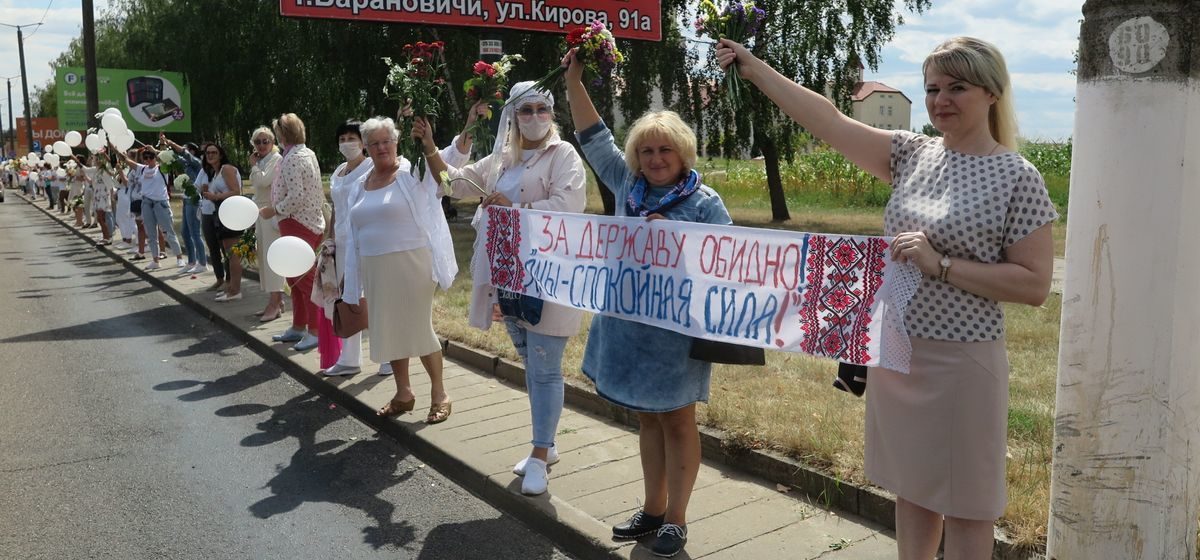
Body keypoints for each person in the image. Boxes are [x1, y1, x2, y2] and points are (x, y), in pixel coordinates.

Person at [716, 36, 1056, 559]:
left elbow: (1034, 284)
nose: (941, 99)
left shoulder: (1017, 176)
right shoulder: (909, 154)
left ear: (991, 92)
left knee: (969, 504)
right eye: (933, 88)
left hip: (962, 362)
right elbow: (827, 121)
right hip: (897, 356)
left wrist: (941, 266)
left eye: (957, 87)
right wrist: (754, 68)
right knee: (913, 491)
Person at [561, 50, 733, 557]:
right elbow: (594, 136)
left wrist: (677, 239)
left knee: (678, 419)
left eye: (665, 151)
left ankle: (676, 519)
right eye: (647, 151)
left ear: (683, 155)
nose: (655, 159)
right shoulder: (628, 186)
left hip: (675, 336)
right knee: (648, 418)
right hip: (627, 327)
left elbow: (727, 267)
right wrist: (574, 79)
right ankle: (653, 507)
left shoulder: (705, 204)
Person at [430, 82, 587, 496]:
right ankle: (545, 445)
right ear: (513, 116)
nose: (534, 117)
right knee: (531, 364)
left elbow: (569, 208)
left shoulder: (563, 155)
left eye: (542, 108)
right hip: (508, 277)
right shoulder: (502, 158)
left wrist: (514, 209)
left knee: (545, 366)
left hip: (549, 278)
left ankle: (540, 453)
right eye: (525, 110)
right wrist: (454, 135)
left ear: (552, 113)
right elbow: (454, 183)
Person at [339, 115, 461, 424]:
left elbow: (446, 176)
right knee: (389, 328)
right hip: (374, 266)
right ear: (366, 148)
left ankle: (440, 394)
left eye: (387, 141)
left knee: (418, 327)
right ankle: (403, 393)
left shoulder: (412, 173)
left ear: (396, 142)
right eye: (374, 143)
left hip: (411, 263)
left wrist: (429, 143)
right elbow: (350, 228)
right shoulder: (360, 185)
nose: (382, 148)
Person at [260, 113, 325, 352]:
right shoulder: (304, 153)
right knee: (294, 278)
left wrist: (274, 210)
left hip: (298, 222)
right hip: (302, 221)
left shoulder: (293, 158)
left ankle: (315, 330)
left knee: (304, 280)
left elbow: (296, 196)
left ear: (283, 134)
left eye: (278, 132)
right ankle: (299, 325)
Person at [120, 146, 185, 270]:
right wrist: (115, 148)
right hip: (146, 203)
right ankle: (155, 260)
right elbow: (126, 160)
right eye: (145, 157)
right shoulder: (142, 169)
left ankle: (179, 258)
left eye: (151, 157)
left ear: (155, 158)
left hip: (161, 203)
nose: (148, 160)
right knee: (151, 233)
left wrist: (155, 150)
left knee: (169, 232)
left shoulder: (162, 169)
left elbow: (171, 159)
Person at [196, 142, 245, 301]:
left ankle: (235, 290)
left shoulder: (226, 169)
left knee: (232, 253)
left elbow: (236, 191)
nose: (210, 155)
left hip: (230, 212)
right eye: (208, 153)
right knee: (228, 252)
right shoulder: (215, 172)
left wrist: (215, 196)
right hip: (221, 212)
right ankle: (231, 288)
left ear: (221, 155)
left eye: (214, 152)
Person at [248, 127, 286, 320]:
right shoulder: (263, 160)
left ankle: (275, 302)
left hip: (272, 213)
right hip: (260, 212)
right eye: (258, 142)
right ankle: (274, 300)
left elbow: (263, 182)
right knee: (264, 258)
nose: (261, 145)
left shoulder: (276, 159)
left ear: (273, 143)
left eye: (265, 141)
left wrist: (254, 165)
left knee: (272, 259)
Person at [162, 135, 208, 274]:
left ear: (193, 151)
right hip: (186, 199)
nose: (185, 151)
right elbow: (172, 158)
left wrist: (170, 142)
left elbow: (183, 153)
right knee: (185, 232)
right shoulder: (186, 164)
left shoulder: (197, 162)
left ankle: (202, 263)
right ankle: (191, 262)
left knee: (195, 233)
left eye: (188, 149)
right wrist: (161, 148)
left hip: (194, 200)